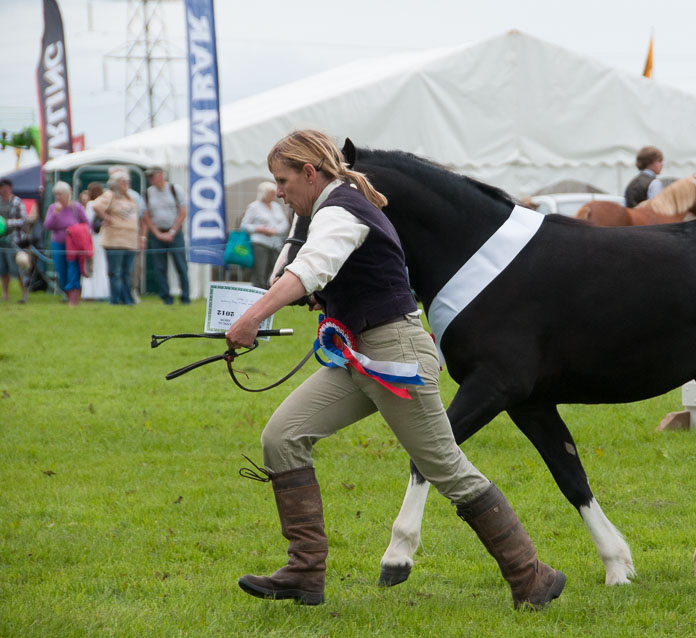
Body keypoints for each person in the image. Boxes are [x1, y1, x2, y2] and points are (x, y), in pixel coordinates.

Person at [225, 130, 565, 610]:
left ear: (309, 172)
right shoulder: (338, 206)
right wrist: (321, 298)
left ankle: (533, 576)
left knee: (446, 469)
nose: (278, 192)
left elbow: (313, 266)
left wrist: (252, 317)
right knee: (282, 437)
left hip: (396, 356)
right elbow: (325, 275)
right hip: (359, 354)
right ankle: (304, 571)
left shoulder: (340, 208)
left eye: (282, 180)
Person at [142, 166, 190, 304]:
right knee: (160, 267)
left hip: (175, 232)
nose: (150, 179)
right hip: (158, 233)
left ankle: (185, 296)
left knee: (181, 265)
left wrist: (173, 231)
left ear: (161, 175)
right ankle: (166, 297)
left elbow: (183, 212)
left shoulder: (175, 190)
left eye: (152, 176)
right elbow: (146, 215)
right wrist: (157, 233)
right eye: (148, 177)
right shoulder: (148, 193)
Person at [92, 169, 140, 305]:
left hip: (130, 241)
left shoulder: (131, 198)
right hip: (114, 240)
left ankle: (127, 299)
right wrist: (107, 217)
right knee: (115, 272)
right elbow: (96, 205)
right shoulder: (110, 195)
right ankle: (116, 299)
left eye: (127, 182)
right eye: (123, 182)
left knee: (127, 272)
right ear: (116, 184)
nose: (126, 184)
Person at [43, 181, 89, 306]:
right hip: (58, 243)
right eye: (56, 194)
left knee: (73, 269)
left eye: (60, 194)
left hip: (74, 244)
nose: (58, 197)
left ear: (68, 194)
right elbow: (47, 225)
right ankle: (68, 294)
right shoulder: (53, 208)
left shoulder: (76, 207)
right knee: (61, 270)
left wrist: (76, 230)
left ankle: (73, 299)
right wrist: (55, 214)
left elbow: (86, 224)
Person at [239, 181, 290, 289]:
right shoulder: (254, 207)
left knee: (273, 271)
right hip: (260, 244)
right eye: (270, 193)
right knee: (260, 272)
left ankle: (269, 294)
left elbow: (285, 224)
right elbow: (244, 226)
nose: (274, 195)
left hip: (276, 244)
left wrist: (275, 230)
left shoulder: (276, 206)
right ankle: (257, 295)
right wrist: (259, 229)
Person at [0, 177, 30, 303]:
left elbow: (24, 220)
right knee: (2, 268)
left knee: (18, 268)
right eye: (1, 188)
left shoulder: (17, 202)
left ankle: (24, 294)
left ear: (10, 188)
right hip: (1, 241)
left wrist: (8, 223)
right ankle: (5, 294)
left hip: (15, 241)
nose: (3, 190)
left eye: (5, 187)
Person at [81, 182, 110, 300]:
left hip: (92, 238)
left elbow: (87, 223)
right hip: (102, 237)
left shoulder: (90, 205)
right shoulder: (104, 205)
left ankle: (90, 292)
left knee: (92, 264)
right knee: (101, 265)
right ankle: (102, 291)